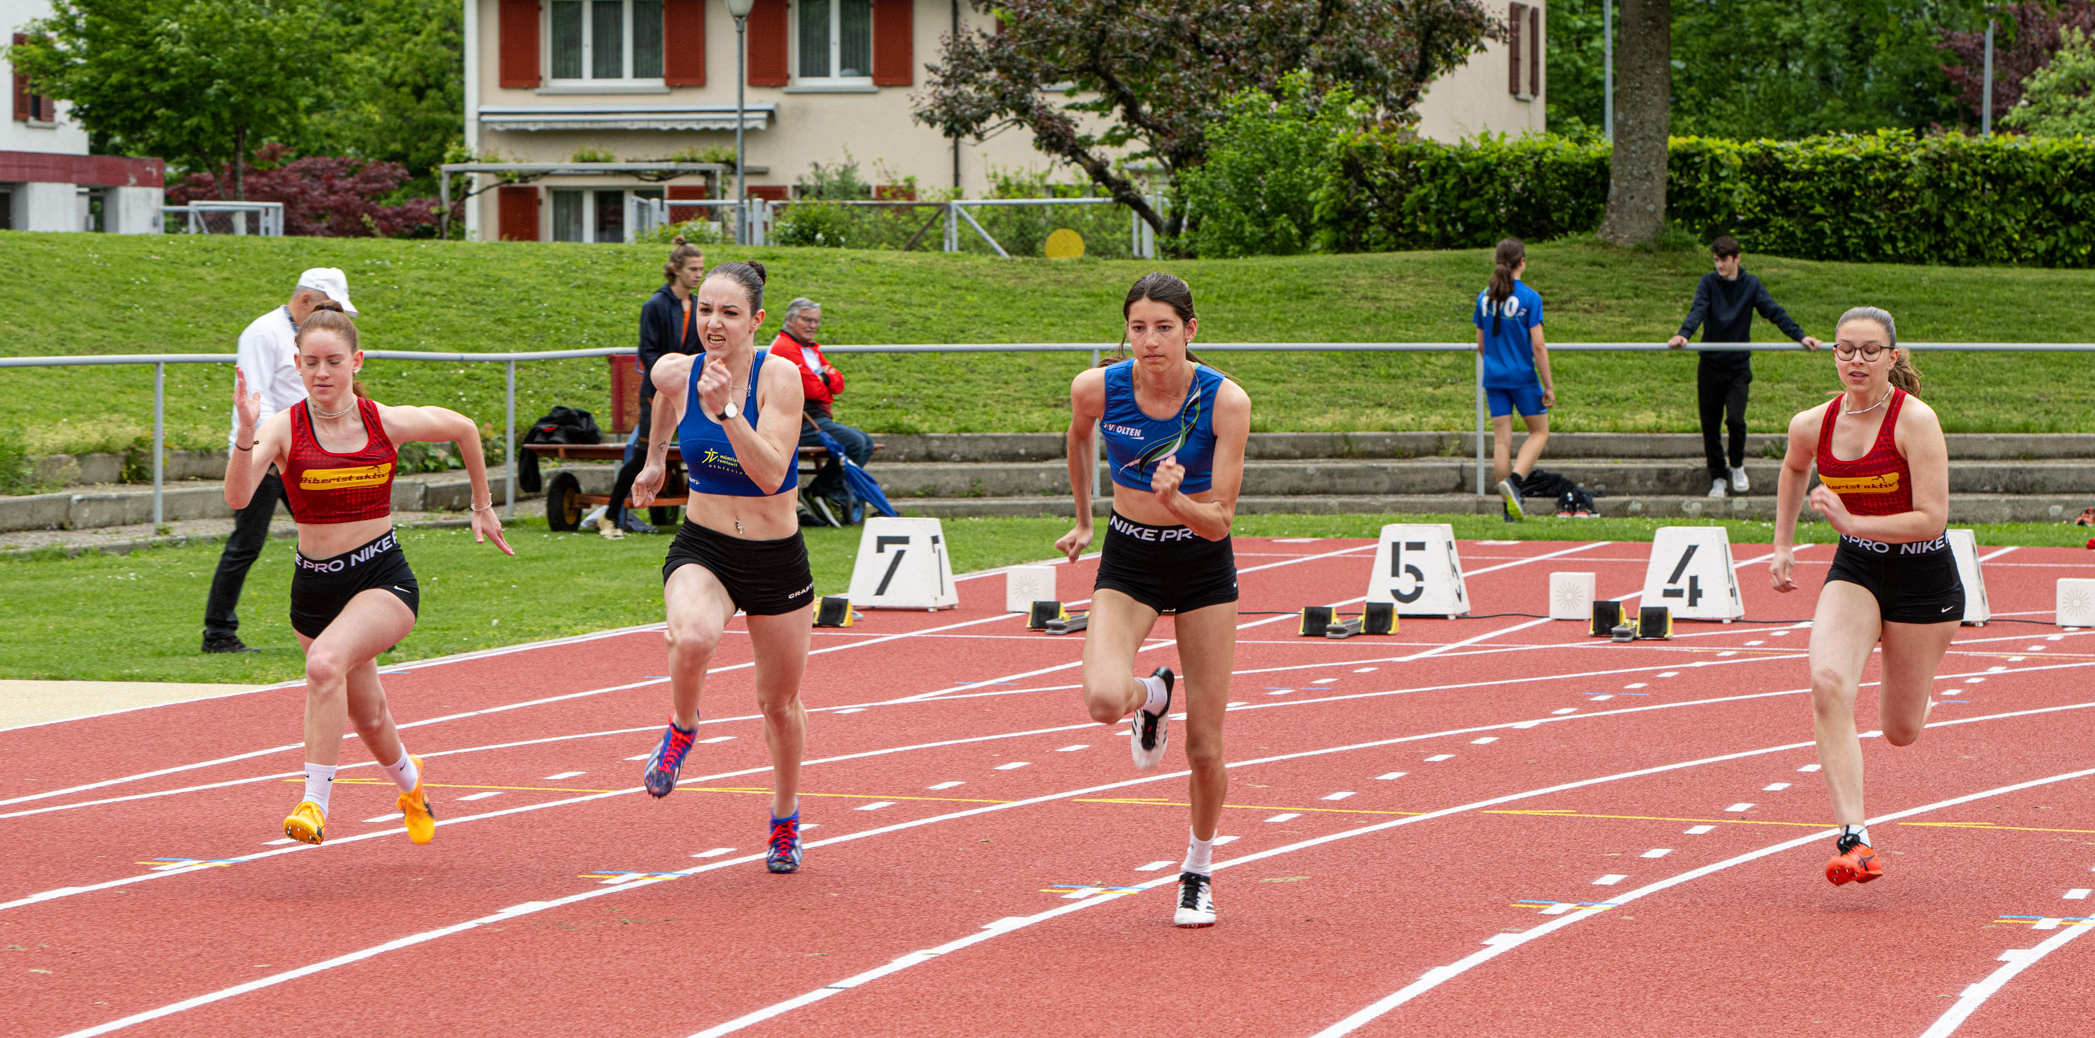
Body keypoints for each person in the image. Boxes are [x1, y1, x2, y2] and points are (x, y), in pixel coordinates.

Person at [224, 309, 513, 846]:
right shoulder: (281, 429)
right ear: (297, 365)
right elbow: (238, 497)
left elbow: (464, 429)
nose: (322, 373)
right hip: (315, 588)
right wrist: (245, 434)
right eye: (310, 363)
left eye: (334, 362)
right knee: (371, 716)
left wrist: (482, 505)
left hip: (382, 577)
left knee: (324, 663)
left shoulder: (385, 421)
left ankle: (314, 803)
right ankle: (410, 783)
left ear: (356, 363)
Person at [1055, 272, 1250, 928]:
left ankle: (1196, 867)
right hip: (1130, 555)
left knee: (1204, 746)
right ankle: (1152, 696)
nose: (1149, 340)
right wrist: (1084, 517)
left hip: (1200, 564)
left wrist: (1176, 501)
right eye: (1137, 327)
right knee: (1103, 701)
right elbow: (1078, 436)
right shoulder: (1098, 388)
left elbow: (1220, 520)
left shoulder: (1224, 402)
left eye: (1163, 327)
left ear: (1190, 330)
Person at [630, 261, 816, 874]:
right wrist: (656, 461)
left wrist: (728, 412)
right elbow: (664, 397)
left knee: (778, 704)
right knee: (690, 635)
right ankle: (684, 727)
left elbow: (770, 475)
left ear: (756, 321)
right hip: (705, 545)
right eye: (706, 310)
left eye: (729, 312)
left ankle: (785, 818)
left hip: (773, 555)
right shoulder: (677, 372)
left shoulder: (779, 379)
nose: (714, 322)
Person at [1770, 305, 1959, 886]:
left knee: (1900, 730)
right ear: (1833, 354)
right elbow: (1793, 468)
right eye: (1846, 349)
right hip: (1857, 570)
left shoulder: (1915, 421)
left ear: (1892, 357)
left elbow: (1932, 519)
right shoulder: (1813, 423)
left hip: (1924, 578)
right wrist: (1783, 544)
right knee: (1827, 682)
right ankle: (1856, 837)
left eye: (1870, 350)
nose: (1857, 360)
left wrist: (1853, 521)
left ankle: (1917, 683)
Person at [201, 268, 358, 653]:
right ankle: (218, 633)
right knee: (247, 544)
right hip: (267, 456)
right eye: (329, 307)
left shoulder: (309, 335)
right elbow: (256, 400)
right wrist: (268, 452)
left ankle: (357, 626)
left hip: (303, 453)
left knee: (337, 536)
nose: (333, 318)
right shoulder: (262, 333)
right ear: (306, 300)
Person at [1668, 236, 1823, 498]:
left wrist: (1800, 336)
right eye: (1716, 260)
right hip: (1710, 366)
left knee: (1736, 420)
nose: (1720, 266)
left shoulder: (1750, 285)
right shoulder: (1707, 283)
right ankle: (1718, 476)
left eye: (1724, 260)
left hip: (1737, 367)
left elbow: (1774, 311)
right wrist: (1684, 334)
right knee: (1710, 425)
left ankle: (1737, 466)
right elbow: (1699, 309)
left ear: (1737, 258)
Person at [601, 238, 706, 539]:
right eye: (693, 268)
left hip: (691, 391)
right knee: (643, 455)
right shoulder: (655, 305)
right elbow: (647, 353)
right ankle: (611, 516)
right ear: (675, 270)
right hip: (657, 391)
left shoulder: (699, 306)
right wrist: (671, 375)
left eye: (701, 269)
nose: (698, 274)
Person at [769, 297, 874, 527]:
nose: (813, 325)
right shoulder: (785, 348)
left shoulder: (810, 348)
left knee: (865, 442)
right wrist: (824, 379)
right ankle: (822, 491)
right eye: (807, 319)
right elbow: (812, 389)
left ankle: (829, 492)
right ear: (790, 320)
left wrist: (823, 380)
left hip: (818, 416)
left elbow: (839, 382)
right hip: (801, 419)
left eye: (816, 321)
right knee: (855, 443)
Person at [1473, 238, 1554, 521]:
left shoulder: (1484, 297)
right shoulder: (1530, 297)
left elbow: (1481, 344)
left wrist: (1496, 364)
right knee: (1539, 432)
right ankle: (1516, 482)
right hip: (1522, 376)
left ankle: (1507, 510)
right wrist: (1549, 385)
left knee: (1502, 442)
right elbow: (1539, 346)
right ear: (1522, 262)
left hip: (1494, 377)